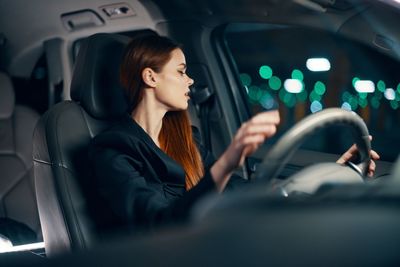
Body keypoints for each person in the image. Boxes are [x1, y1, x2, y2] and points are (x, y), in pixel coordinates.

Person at [88, 34, 379, 232]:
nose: (190, 80)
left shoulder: (186, 138)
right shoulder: (113, 149)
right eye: (181, 71)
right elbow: (159, 223)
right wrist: (228, 160)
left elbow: (238, 190)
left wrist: (328, 177)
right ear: (150, 76)